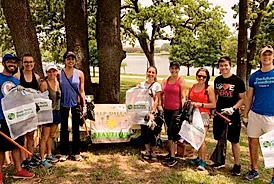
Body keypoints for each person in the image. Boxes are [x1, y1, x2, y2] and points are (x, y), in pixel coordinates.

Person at [0, 54, 35, 183]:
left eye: (14, 62)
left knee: (17, 145)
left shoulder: (16, 81)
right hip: (1, 118)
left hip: (15, 119)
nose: (12, 64)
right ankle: (0, 175)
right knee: (1, 149)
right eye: (9, 62)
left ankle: (18, 170)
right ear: (4, 63)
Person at [210, 56, 245, 176]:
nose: (223, 68)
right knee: (220, 137)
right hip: (220, 113)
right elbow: (215, 94)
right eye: (221, 65)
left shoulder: (237, 81)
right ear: (218, 67)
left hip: (232, 115)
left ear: (230, 65)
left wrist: (233, 108)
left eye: (226, 65)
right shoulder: (217, 80)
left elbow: (242, 99)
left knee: (234, 140)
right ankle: (219, 161)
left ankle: (237, 165)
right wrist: (214, 108)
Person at [244, 45, 274, 183]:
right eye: (264, 55)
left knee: (271, 146)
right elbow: (249, 97)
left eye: (269, 54)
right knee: (252, 142)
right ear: (260, 57)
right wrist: (245, 114)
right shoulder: (254, 76)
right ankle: (254, 169)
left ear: (273, 57)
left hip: (271, 116)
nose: (266, 57)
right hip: (255, 114)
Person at [14, 53, 41, 168]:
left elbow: (38, 94)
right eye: (26, 62)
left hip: (32, 110)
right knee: (22, 135)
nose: (28, 64)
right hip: (21, 110)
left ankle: (30, 158)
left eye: (30, 62)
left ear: (34, 63)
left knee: (31, 135)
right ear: (22, 63)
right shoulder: (17, 76)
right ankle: (23, 159)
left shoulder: (37, 77)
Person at [59, 51, 85, 161]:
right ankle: (64, 152)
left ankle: (76, 152)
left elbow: (82, 90)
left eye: (72, 59)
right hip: (63, 103)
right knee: (64, 128)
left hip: (75, 103)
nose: (70, 61)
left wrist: (82, 104)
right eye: (68, 59)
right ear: (64, 60)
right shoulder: (59, 73)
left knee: (76, 128)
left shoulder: (79, 73)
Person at [188, 68, 216, 170]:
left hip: (204, 115)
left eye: (203, 77)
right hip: (193, 115)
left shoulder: (208, 89)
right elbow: (189, 99)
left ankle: (203, 161)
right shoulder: (193, 86)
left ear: (207, 78)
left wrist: (201, 104)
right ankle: (199, 158)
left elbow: (213, 104)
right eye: (199, 76)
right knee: (195, 137)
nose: (201, 78)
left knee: (201, 138)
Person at [162, 61, 187, 167]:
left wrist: (182, 111)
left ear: (179, 70)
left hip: (176, 110)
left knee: (173, 132)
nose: (174, 70)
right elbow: (161, 94)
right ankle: (171, 153)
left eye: (176, 68)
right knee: (169, 132)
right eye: (172, 68)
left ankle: (173, 157)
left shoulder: (181, 81)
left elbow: (183, 97)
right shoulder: (165, 80)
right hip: (166, 109)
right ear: (169, 69)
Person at [39, 63, 60, 167]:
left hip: (57, 112)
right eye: (49, 71)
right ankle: (42, 159)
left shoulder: (58, 82)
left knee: (51, 135)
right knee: (44, 136)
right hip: (47, 113)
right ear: (46, 72)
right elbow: (39, 99)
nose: (52, 73)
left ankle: (49, 154)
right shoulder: (44, 84)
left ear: (56, 72)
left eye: (53, 71)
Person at [138, 66, 162, 161]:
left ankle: (153, 151)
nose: (151, 74)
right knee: (144, 132)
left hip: (152, 112)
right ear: (146, 72)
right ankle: (147, 150)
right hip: (142, 111)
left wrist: (152, 112)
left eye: (153, 72)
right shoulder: (142, 84)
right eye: (149, 72)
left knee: (152, 132)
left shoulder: (157, 85)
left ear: (155, 74)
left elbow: (157, 99)